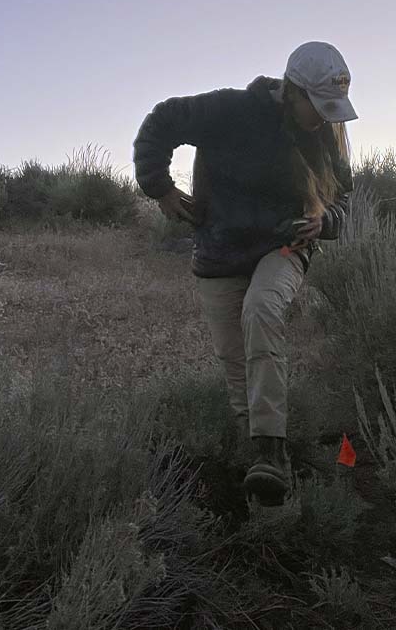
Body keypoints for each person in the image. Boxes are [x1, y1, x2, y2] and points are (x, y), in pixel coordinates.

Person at [132, 41, 358, 506]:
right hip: (219, 250)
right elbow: (159, 123)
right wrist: (161, 189)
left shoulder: (328, 133)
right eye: (316, 106)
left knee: (262, 310)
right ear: (291, 91)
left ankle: (271, 452)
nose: (323, 118)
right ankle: (256, 477)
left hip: (284, 245)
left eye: (330, 109)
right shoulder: (231, 110)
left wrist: (325, 221)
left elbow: (345, 199)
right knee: (236, 366)